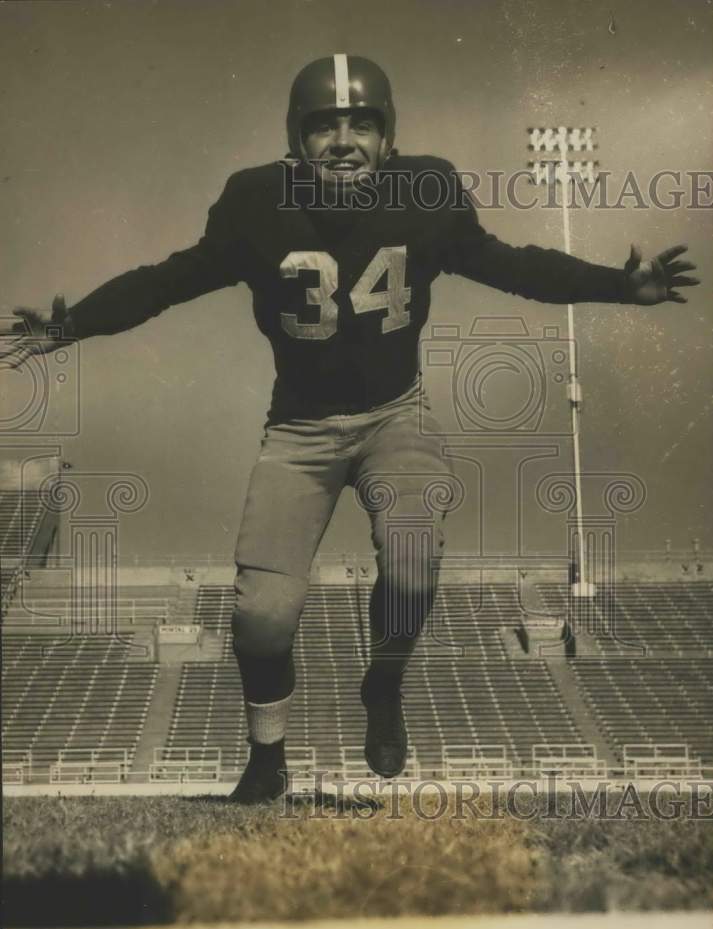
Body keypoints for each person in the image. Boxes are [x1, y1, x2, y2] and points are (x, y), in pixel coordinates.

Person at [5, 55, 699, 803]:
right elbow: (169, 278)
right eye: (323, 125)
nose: (342, 139)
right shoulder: (255, 201)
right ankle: (267, 760)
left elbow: (512, 265)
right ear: (294, 142)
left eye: (360, 123)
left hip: (394, 416)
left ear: (388, 137)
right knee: (261, 613)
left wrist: (617, 288)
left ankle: (384, 684)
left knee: (410, 557)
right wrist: (73, 325)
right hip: (298, 432)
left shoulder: (426, 191)